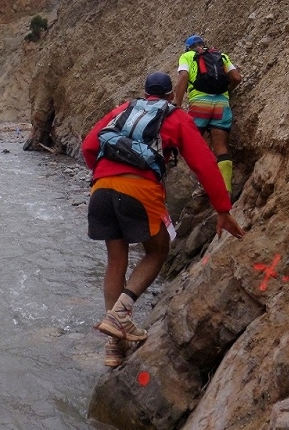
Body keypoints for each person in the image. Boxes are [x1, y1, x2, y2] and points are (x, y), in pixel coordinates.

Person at [82, 72, 245, 367]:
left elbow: (89, 146)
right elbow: (204, 163)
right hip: (139, 189)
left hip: (101, 189)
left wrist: (103, 175)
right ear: (171, 95)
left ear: (145, 93)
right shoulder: (176, 116)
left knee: (116, 260)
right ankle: (120, 315)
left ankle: (114, 346)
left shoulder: (124, 109)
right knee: (157, 251)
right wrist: (223, 208)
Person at [174, 34, 242, 194]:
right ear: (203, 44)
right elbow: (236, 77)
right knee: (221, 146)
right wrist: (227, 91)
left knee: (200, 146)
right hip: (222, 104)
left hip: (200, 105)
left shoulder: (186, 56)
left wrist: (177, 104)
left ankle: (206, 186)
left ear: (187, 48)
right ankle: (226, 190)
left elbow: (183, 76)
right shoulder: (221, 55)